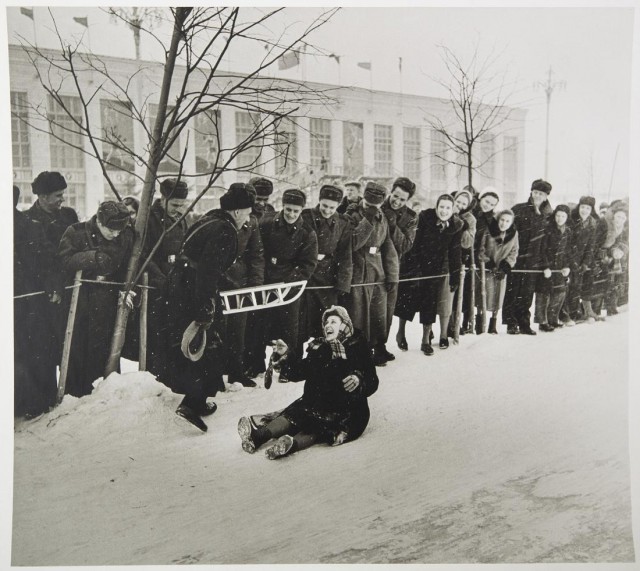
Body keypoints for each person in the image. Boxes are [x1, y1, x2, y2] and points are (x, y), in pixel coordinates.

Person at [165, 183, 254, 431]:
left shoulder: (209, 220)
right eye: (247, 213)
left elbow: (198, 260)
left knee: (199, 345)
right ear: (237, 211)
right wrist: (205, 307)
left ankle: (200, 400)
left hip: (182, 286)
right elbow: (206, 270)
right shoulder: (225, 230)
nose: (247, 218)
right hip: (194, 290)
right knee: (208, 344)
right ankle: (191, 404)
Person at [237, 305, 379, 459]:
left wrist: (359, 379)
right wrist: (287, 355)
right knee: (294, 414)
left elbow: (372, 379)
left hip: (348, 409)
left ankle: (291, 445)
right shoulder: (321, 349)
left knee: (319, 425)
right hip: (316, 401)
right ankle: (258, 436)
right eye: (326, 323)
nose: (328, 326)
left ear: (345, 325)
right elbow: (299, 371)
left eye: (333, 322)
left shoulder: (357, 346)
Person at [58, 201, 134, 397]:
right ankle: (75, 396)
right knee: (79, 348)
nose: (116, 234)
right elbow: (64, 261)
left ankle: (106, 395)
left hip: (108, 301)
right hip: (82, 301)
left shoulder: (125, 234)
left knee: (108, 348)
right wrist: (93, 257)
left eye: (119, 230)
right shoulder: (76, 232)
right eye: (111, 230)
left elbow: (130, 264)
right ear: (99, 221)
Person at [246, 188, 318, 380]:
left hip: (289, 286)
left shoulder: (307, 233)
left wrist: (289, 282)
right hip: (266, 279)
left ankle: (287, 367)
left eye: (296, 211)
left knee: (290, 327)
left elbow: (308, 264)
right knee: (259, 323)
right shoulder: (267, 223)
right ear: (282, 207)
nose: (291, 214)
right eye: (288, 210)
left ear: (301, 210)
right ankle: (255, 365)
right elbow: (257, 251)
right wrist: (260, 278)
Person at [23, 171, 79, 401]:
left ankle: (72, 396)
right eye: (57, 195)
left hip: (70, 291)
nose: (62, 200)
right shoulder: (28, 221)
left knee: (72, 344)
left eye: (63, 195)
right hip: (43, 295)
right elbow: (34, 260)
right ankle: (45, 399)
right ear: (43, 196)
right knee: (44, 348)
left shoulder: (69, 216)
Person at [135, 178, 191, 381]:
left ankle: (172, 378)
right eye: (175, 204)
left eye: (182, 204)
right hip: (156, 287)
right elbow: (143, 255)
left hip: (177, 285)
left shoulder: (182, 217)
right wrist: (161, 280)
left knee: (174, 334)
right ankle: (155, 379)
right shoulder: (148, 219)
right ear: (163, 199)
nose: (179, 209)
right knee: (156, 336)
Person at [395, 193, 463, 356]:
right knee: (407, 300)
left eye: (448, 208)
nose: (444, 211)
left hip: (436, 270)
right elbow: (414, 244)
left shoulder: (455, 226)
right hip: (416, 265)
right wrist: (414, 268)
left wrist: (454, 277)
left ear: (452, 209)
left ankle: (425, 340)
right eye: (441, 207)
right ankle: (400, 333)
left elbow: (455, 253)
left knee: (429, 303)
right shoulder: (424, 218)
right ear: (436, 206)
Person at [13, 185, 57, 417]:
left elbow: (46, 262)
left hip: (27, 301)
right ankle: (34, 402)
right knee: (31, 351)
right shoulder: (32, 226)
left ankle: (28, 403)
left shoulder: (29, 227)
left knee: (25, 352)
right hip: (31, 302)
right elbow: (48, 263)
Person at [344, 182, 399, 366]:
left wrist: (392, 274)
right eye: (368, 205)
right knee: (358, 314)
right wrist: (366, 220)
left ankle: (378, 347)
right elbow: (353, 243)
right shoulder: (352, 215)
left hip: (378, 270)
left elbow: (388, 246)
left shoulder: (382, 216)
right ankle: (360, 351)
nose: (371, 209)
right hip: (358, 269)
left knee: (379, 312)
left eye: (375, 207)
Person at [298, 184, 353, 350]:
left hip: (327, 278)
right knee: (299, 323)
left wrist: (343, 283)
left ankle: (323, 361)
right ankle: (293, 363)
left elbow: (345, 254)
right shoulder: (305, 216)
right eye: (324, 206)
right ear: (319, 201)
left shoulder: (343, 222)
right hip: (305, 275)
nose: (327, 210)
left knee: (326, 322)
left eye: (332, 207)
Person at [221, 183, 265, 388]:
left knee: (238, 331)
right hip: (219, 282)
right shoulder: (219, 221)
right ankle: (215, 375)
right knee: (217, 329)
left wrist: (255, 283)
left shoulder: (251, 223)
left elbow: (256, 255)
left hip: (240, 284)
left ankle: (236, 373)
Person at [502, 179, 553, 335]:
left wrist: (544, 264)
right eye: (535, 192)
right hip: (517, 258)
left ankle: (524, 323)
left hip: (533, 261)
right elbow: (506, 232)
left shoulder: (547, 216)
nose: (537, 196)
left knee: (527, 294)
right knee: (513, 291)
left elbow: (544, 244)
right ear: (531, 192)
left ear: (545, 197)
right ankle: (511, 323)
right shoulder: (519, 209)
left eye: (541, 194)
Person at [380, 177, 418, 361]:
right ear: (391, 191)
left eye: (402, 199)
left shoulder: (411, 217)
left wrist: (393, 224)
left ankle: (380, 346)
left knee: (386, 309)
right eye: (395, 196)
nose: (397, 201)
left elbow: (405, 245)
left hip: (392, 269)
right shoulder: (377, 204)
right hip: (369, 266)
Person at [476, 209, 519, 334]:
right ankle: (479, 322)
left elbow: (514, 252)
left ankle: (493, 324)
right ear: (498, 219)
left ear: (511, 223)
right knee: (483, 294)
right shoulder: (489, 230)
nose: (504, 223)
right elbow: (482, 249)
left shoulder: (513, 234)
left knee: (497, 296)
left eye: (507, 221)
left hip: (501, 271)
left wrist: (505, 267)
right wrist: (490, 263)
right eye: (502, 220)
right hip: (488, 269)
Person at [466, 187, 500, 334]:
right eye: (487, 201)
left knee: (476, 290)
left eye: (492, 204)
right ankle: (461, 322)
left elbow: (495, 241)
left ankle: (474, 322)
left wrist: (489, 258)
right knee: (465, 291)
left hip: (479, 258)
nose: (488, 206)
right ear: (480, 198)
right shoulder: (470, 212)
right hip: (465, 253)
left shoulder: (491, 219)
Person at [534, 204, 572, 331]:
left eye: (563, 216)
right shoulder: (547, 229)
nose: (560, 218)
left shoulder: (567, 231)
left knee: (559, 292)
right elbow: (542, 249)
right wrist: (545, 266)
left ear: (567, 217)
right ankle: (542, 322)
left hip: (560, 267)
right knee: (544, 294)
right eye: (558, 215)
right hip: (547, 267)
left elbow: (568, 251)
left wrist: (567, 266)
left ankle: (553, 319)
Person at [559, 196, 596, 325]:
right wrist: (571, 261)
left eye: (587, 208)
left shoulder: (592, 224)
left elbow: (591, 246)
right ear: (578, 207)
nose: (584, 210)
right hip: (567, 260)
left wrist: (585, 262)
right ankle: (563, 314)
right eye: (582, 207)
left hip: (580, 262)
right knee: (565, 287)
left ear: (591, 210)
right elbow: (567, 244)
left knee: (576, 286)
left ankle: (574, 313)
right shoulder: (571, 221)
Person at [448, 188, 476, 338]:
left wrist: (461, 225)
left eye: (464, 204)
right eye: (458, 201)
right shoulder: (446, 209)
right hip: (442, 257)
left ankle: (453, 324)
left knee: (456, 293)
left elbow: (467, 243)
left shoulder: (470, 219)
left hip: (458, 258)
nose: (460, 205)